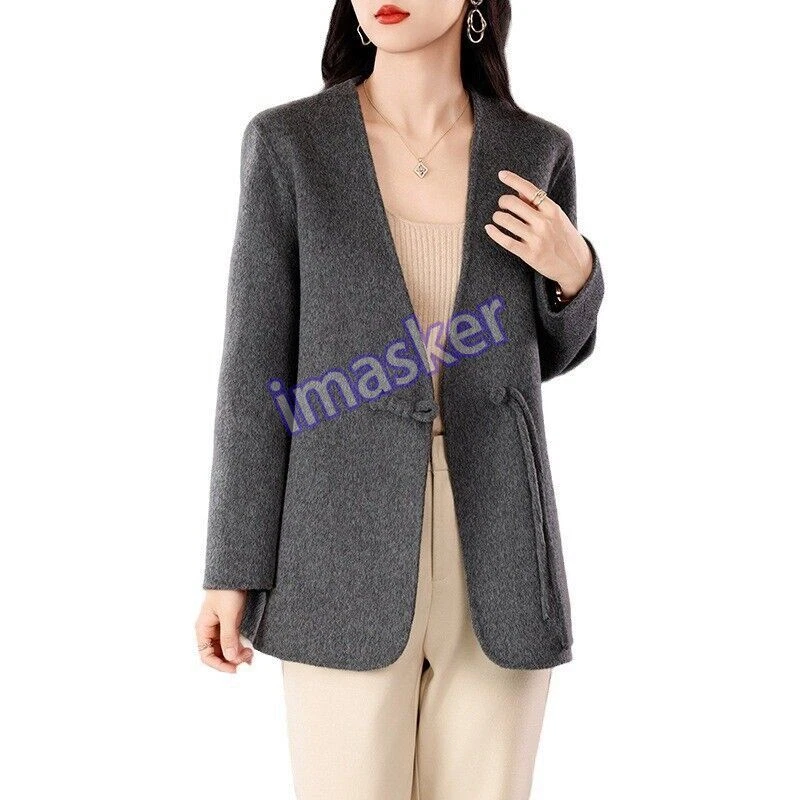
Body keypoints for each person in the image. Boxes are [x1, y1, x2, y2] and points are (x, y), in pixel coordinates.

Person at [196, 1, 604, 797]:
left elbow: (548, 356)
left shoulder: (535, 150)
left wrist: (575, 272)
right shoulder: (292, 146)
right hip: (335, 548)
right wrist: (231, 567)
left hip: (501, 548)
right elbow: (254, 376)